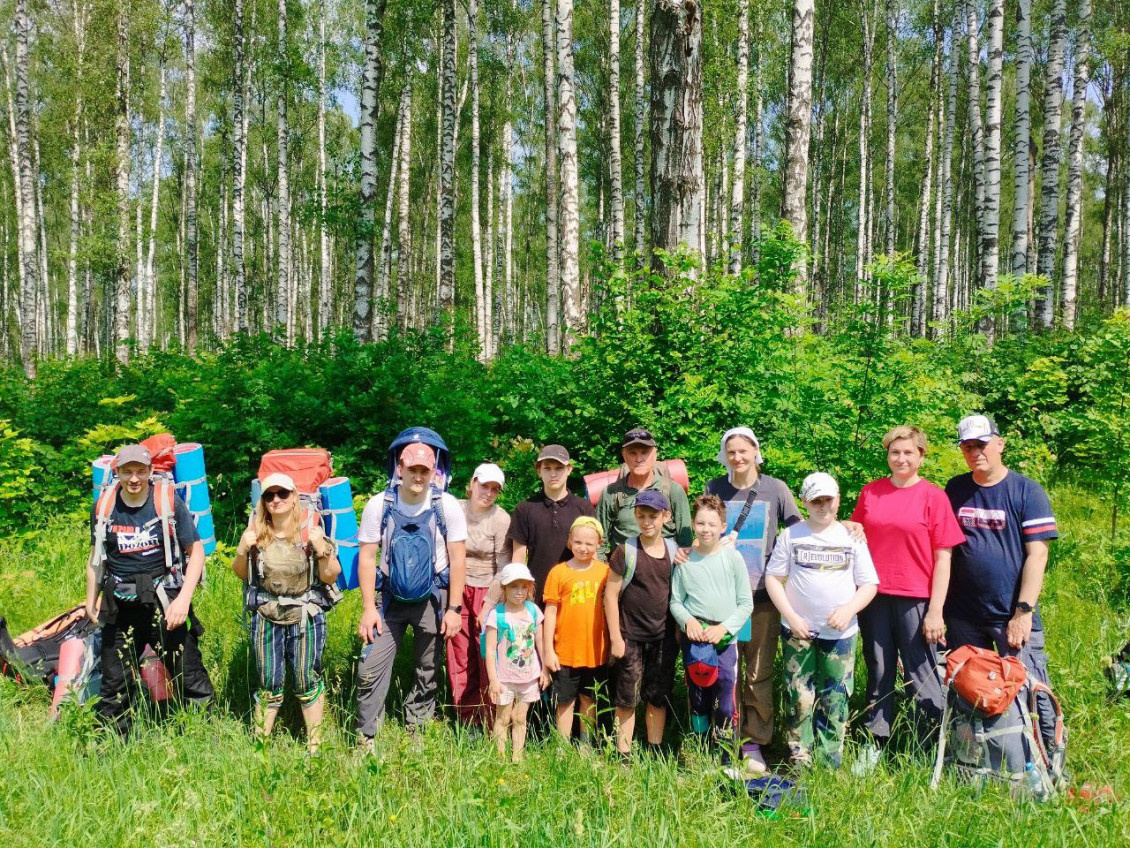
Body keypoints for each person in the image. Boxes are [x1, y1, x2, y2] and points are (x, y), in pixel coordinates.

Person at [849, 426, 966, 772]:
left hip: (916, 599)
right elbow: (856, 533)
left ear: (921, 456)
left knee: (922, 674)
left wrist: (935, 610)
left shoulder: (933, 497)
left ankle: (926, 746)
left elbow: (944, 558)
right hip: (873, 597)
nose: (901, 458)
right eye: (894, 452)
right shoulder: (871, 492)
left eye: (908, 453)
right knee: (879, 670)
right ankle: (875, 741)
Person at [944, 414, 1059, 743]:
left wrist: (1023, 612)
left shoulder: (1026, 491)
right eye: (968, 446)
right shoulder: (956, 489)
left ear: (999, 443)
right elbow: (938, 546)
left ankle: (1048, 764)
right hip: (964, 616)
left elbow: (1038, 555)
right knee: (971, 695)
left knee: (1032, 691)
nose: (975, 451)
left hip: (1011, 616)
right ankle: (979, 763)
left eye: (981, 444)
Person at [85, 443, 214, 736]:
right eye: (127, 472)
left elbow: (196, 552)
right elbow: (95, 558)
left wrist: (183, 599)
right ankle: (113, 747)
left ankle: (207, 738)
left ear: (150, 472)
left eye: (140, 472)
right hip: (117, 604)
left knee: (188, 674)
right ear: (117, 472)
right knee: (114, 684)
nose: (133, 478)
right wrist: (89, 601)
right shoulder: (104, 506)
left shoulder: (167, 502)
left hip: (164, 601)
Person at [355, 439, 468, 745]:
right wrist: (368, 608)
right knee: (370, 666)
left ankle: (416, 728)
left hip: (432, 597)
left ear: (434, 471)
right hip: (389, 598)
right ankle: (366, 735)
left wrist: (454, 609)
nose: (418, 476)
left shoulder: (446, 506)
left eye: (425, 470)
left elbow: (459, 558)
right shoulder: (380, 505)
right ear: (399, 468)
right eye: (412, 469)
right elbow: (366, 557)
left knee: (427, 667)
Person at [703, 427, 802, 774]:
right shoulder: (715, 488)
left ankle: (754, 742)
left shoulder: (775, 489)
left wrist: (843, 528)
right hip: (722, 598)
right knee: (725, 672)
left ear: (756, 452)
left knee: (758, 672)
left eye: (744, 451)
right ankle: (725, 736)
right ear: (724, 454)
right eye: (731, 452)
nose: (738, 458)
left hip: (762, 597)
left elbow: (798, 529)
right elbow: (703, 529)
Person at [765, 473, 878, 769]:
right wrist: (791, 616)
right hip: (797, 631)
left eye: (828, 499)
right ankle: (800, 754)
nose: (823, 505)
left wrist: (849, 609)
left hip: (840, 634)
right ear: (804, 502)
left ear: (838, 500)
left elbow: (869, 584)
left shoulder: (851, 537)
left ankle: (830, 758)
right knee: (799, 695)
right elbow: (773, 578)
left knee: (835, 696)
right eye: (816, 500)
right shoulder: (791, 535)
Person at [232, 472, 341, 754]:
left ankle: (315, 747)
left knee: (306, 679)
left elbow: (330, 577)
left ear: (295, 497)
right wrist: (243, 550)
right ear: (263, 501)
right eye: (269, 495)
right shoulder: (255, 531)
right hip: (266, 613)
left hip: (306, 614)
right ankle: (260, 747)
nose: (276, 500)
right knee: (268, 681)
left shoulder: (311, 530)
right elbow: (242, 574)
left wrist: (322, 551)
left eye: (283, 494)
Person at [669, 495, 754, 755]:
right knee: (698, 695)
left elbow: (745, 603)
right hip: (695, 638)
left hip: (725, 638)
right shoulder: (684, 562)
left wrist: (724, 628)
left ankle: (727, 750)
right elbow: (675, 601)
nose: (706, 529)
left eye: (712, 524)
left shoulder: (733, 559)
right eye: (701, 523)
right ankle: (701, 745)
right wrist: (688, 621)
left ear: (723, 526)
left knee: (726, 695)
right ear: (693, 524)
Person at [604, 489, 679, 756]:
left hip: (664, 637)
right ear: (635, 516)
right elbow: (610, 595)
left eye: (653, 516)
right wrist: (615, 637)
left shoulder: (674, 552)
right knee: (627, 697)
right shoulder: (625, 551)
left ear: (666, 516)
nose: (647, 522)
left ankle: (655, 749)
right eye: (641, 516)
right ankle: (623, 753)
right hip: (630, 636)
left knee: (657, 695)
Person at [448, 463, 512, 727]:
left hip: (488, 589)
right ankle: (466, 718)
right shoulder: (455, 510)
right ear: (472, 483)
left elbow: (504, 566)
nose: (488, 493)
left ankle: (489, 719)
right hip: (456, 588)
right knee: (459, 653)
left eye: (495, 489)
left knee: (486, 653)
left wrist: (488, 605)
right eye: (484, 486)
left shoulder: (501, 519)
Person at [543, 516, 610, 741]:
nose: (583, 548)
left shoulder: (605, 572)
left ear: (599, 544)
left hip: (595, 651)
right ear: (569, 541)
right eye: (578, 542)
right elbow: (550, 613)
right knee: (564, 701)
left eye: (589, 543)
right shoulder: (558, 573)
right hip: (565, 653)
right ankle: (561, 748)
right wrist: (548, 651)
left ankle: (586, 745)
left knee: (589, 698)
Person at [505, 445, 595, 606]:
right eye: (547, 468)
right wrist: (520, 593)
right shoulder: (525, 508)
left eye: (559, 468)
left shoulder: (584, 508)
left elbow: (592, 553)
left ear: (569, 469)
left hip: (575, 594)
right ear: (539, 470)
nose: (553, 474)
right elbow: (518, 558)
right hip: (536, 596)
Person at [484, 562, 551, 762]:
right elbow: (489, 651)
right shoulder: (497, 614)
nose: (520, 592)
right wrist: (493, 680)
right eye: (514, 586)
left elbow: (540, 642)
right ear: (504, 588)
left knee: (520, 718)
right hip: (504, 678)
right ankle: (500, 756)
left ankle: (517, 756)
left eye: (524, 587)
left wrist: (545, 670)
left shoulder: (533, 611)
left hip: (529, 678)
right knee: (503, 718)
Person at [596, 428, 692, 561]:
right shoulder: (610, 493)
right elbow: (598, 542)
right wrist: (604, 571)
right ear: (624, 456)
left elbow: (685, 542)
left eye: (644, 452)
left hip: (664, 572)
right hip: (624, 573)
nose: (639, 459)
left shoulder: (673, 490)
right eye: (632, 453)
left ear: (655, 454)